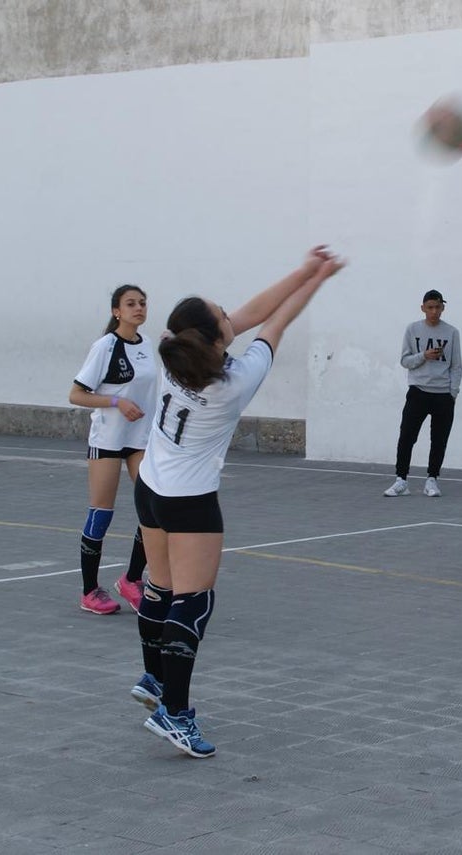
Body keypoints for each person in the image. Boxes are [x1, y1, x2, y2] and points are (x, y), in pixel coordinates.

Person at [130, 246, 345, 758]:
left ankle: (153, 677)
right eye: (223, 315)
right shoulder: (234, 383)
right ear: (214, 338)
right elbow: (276, 320)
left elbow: (250, 313)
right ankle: (174, 713)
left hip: (149, 488)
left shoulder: (170, 350)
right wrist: (317, 279)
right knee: (193, 601)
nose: (233, 315)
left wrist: (304, 269)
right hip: (189, 502)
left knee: (159, 586)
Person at [68, 285, 157, 615]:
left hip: (140, 440)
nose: (139, 308)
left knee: (154, 508)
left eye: (142, 303)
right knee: (101, 514)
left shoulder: (147, 345)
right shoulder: (105, 346)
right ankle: (89, 591)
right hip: (107, 440)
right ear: (116, 311)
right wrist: (117, 401)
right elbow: (76, 394)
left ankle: (132, 579)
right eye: (130, 303)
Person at [382, 289, 462, 498]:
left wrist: (453, 393)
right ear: (423, 308)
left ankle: (432, 480)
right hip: (418, 391)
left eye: (438, 307)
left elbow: (456, 366)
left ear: (443, 308)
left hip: (443, 394)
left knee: (439, 439)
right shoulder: (413, 329)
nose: (434, 311)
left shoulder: (452, 332)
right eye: (430, 307)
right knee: (407, 436)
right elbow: (405, 361)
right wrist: (424, 356)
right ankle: (401, 480)